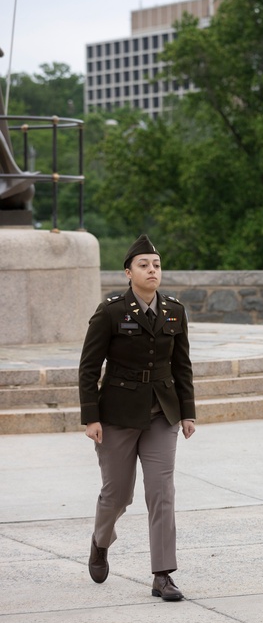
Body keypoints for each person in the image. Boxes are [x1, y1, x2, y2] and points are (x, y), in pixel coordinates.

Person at [79, 234, 197, 600]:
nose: (152, 270)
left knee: (161, 492)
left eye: (156, 265)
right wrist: (91, 417)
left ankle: (163, 575)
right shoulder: (111, 310)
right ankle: (100, 542)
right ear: (128, 272)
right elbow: (88, 367)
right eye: (144, 265)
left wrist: (188, 412)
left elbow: (182, 365)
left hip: (163, 412)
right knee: (118, 495)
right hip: (117, 412)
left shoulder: (174, 310)